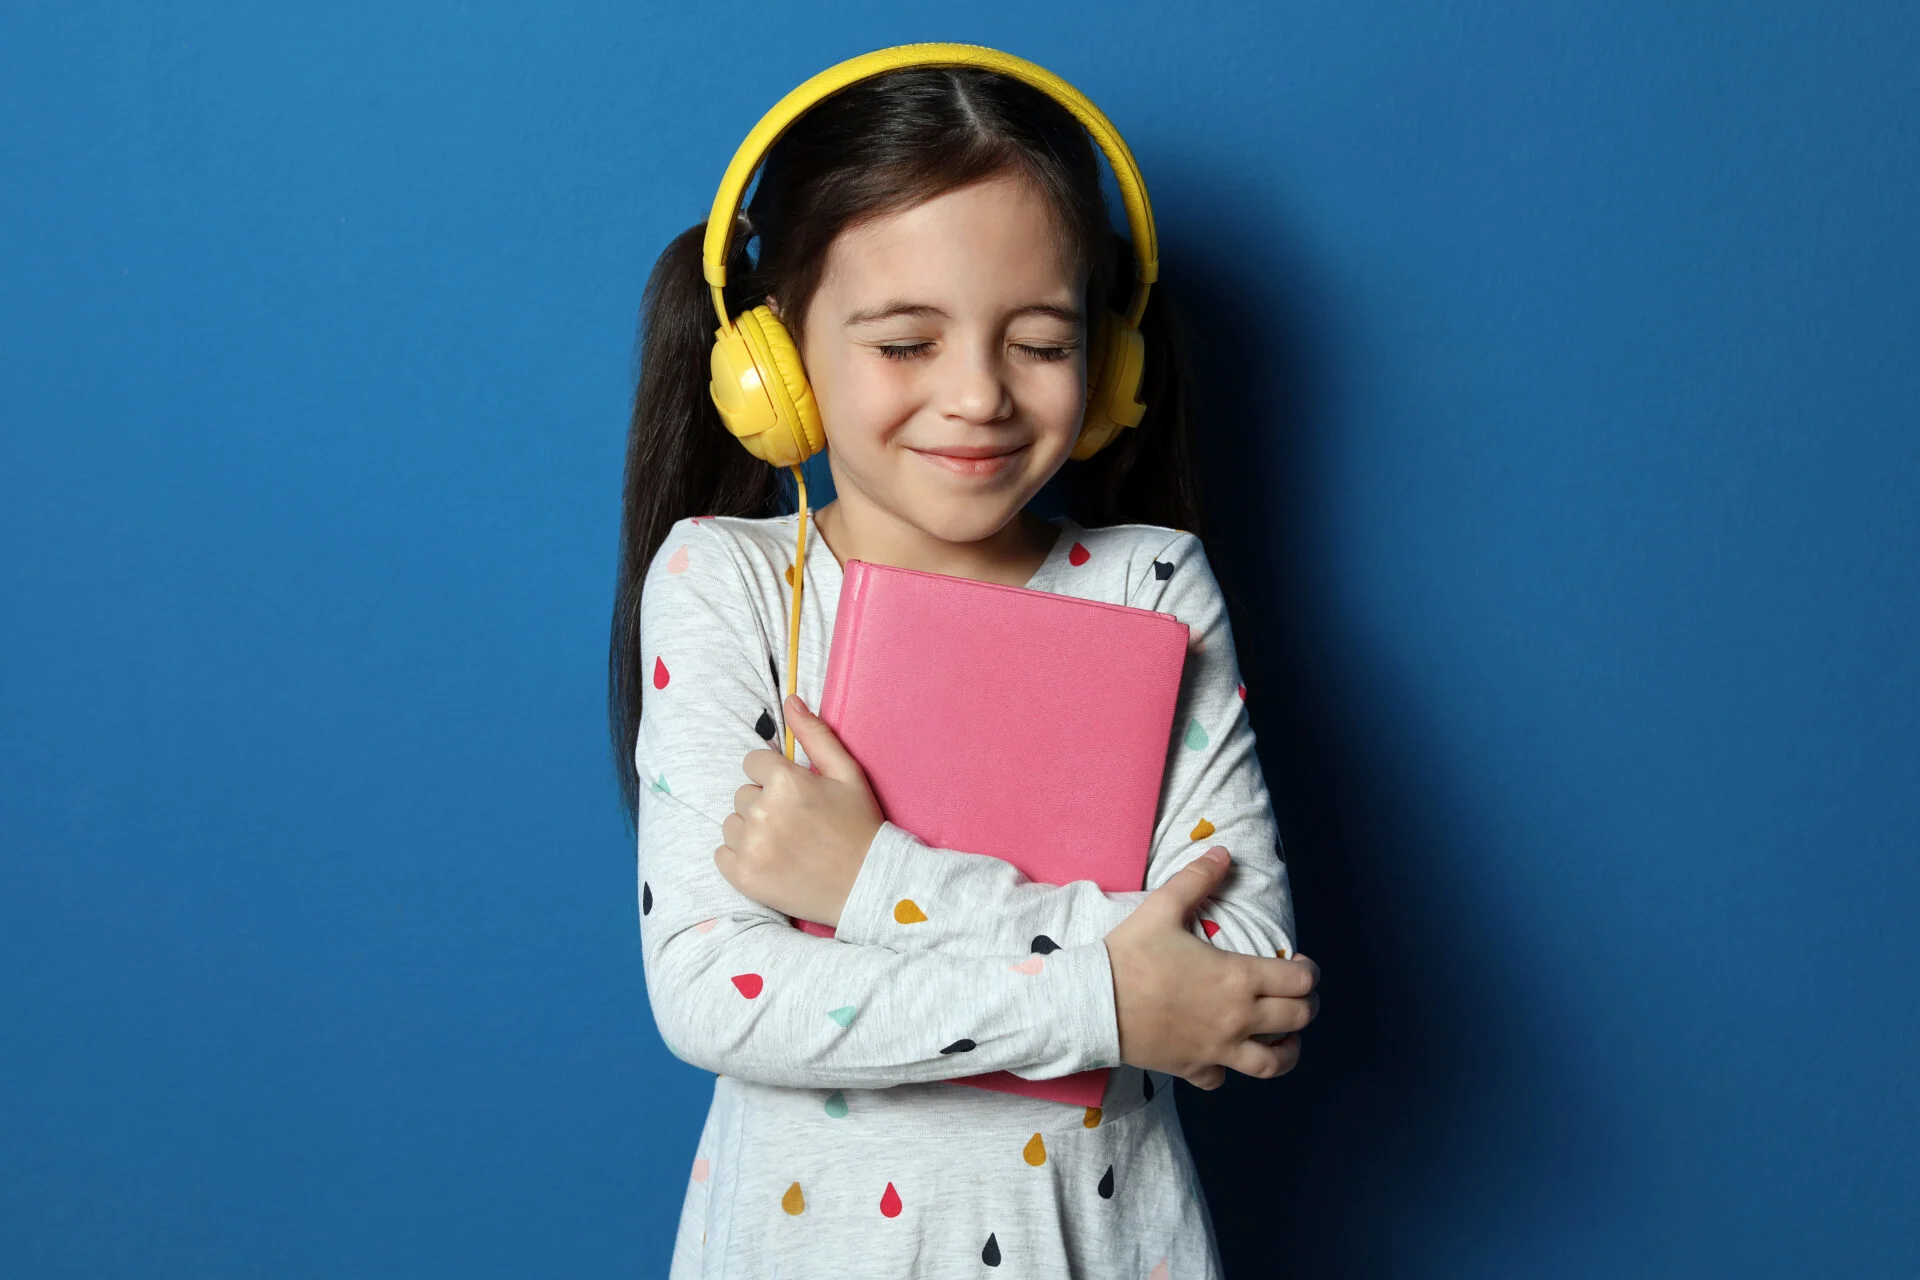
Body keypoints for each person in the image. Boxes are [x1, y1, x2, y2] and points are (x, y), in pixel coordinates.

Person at [608, 44, 1321, 1279]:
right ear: (770, 362)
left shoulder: (1153, 583)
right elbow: (718, 989)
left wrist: (874, 877)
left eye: (1039, 342)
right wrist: (1110, 996)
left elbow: (1240, 976)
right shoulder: (724, 582)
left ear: (1109, 368)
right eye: (903, 342)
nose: (978, 395)